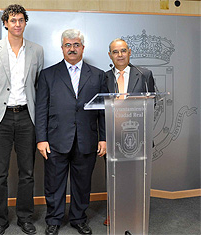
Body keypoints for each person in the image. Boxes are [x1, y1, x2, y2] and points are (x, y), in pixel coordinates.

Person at [0, 4, 44, 235]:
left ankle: (25, 218)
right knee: (0, 174)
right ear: (5, 23)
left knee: (27, 172)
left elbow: (38, 84)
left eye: (21, 20)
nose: (17, 24)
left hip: (27, 117)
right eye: (12, 20)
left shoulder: (37, 50)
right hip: (0, 119)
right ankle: (0, 220)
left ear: (25, 23)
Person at [36, 29, 107, 235]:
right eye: (68, 45)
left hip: (87, 138)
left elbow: (102, 110)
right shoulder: (48, 74)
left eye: (76, 44)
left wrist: (103, 138)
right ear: (62, 48)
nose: (72, 48)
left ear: (83, 48)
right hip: (56, 139)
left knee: (82, 184)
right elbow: (41, 109)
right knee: (54, 183)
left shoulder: (97, 75)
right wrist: (41, 139)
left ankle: (78, 218)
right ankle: (54, 220)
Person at [104, 38, 155, 226]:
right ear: (110, 55)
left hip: (137, 137)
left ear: (130, 52)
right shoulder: (104, 77)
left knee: (135, 176)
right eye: (115, 52)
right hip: (113, 135)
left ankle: (135, 212)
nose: (120, 55)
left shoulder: (144, 74)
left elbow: (152, 104)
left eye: (123, 51)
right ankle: (114, 212)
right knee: (114, 176)